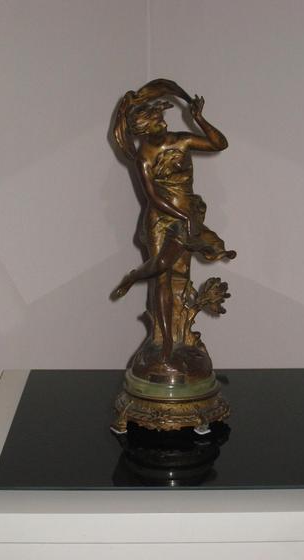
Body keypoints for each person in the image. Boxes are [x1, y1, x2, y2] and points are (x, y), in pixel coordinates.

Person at [112, 89, 235, 366]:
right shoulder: (145, 156)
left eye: (162, 118)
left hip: (185, 215)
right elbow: (152, 197)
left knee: (177, 274)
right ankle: (166, 342)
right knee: (161, 274)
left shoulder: (182, 140)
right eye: (158, 120)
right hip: (160, 218)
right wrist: (182, 215)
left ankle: (175, 334)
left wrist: (199, 119)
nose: (164, 123)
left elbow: (219, 143)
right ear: (145, 129)